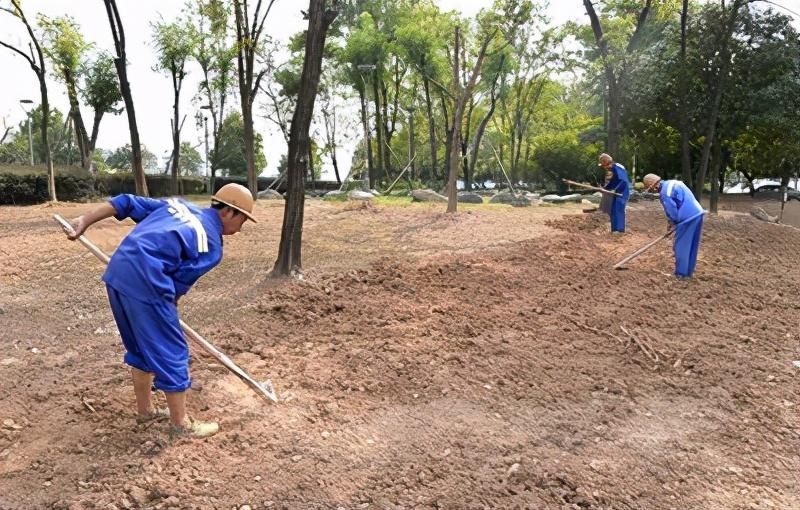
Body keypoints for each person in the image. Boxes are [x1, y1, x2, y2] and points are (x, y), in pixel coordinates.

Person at [61, 184, 257, 438]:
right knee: (173, 350)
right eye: (243, 220)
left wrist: (84, 221)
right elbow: (178, 283)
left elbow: (126, 202)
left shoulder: (178, 206)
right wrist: (166, 312)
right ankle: (181, 425)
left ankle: (145, 412)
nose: (240, 229)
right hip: (147, 282)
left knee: (141, 347)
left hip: (118, 274)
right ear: (230, 212)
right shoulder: (211, 242)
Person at [643, 173, 704, 278]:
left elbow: (673, 212)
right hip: (698, 213)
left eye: (651, 189)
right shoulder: (673, 183)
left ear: (654, 185)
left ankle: (681, 274)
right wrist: (670, 224)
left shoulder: (664, 193)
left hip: (686, 218)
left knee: (681, 246)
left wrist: (674, 223)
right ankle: (688, 272)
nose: (653, 191)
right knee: (691, 245)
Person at [598, 153, 631, 233]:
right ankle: (615, 229)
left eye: (603, 165)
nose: (604, 168)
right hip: (618, 192)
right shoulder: (614, 169)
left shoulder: (617, 168)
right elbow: (614, 181)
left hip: (622, 192)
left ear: (606, 163)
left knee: (618, 210)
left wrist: (613, 189)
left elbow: (622, 180)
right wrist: (605, 188)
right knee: (614, 210)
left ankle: (619, 230)